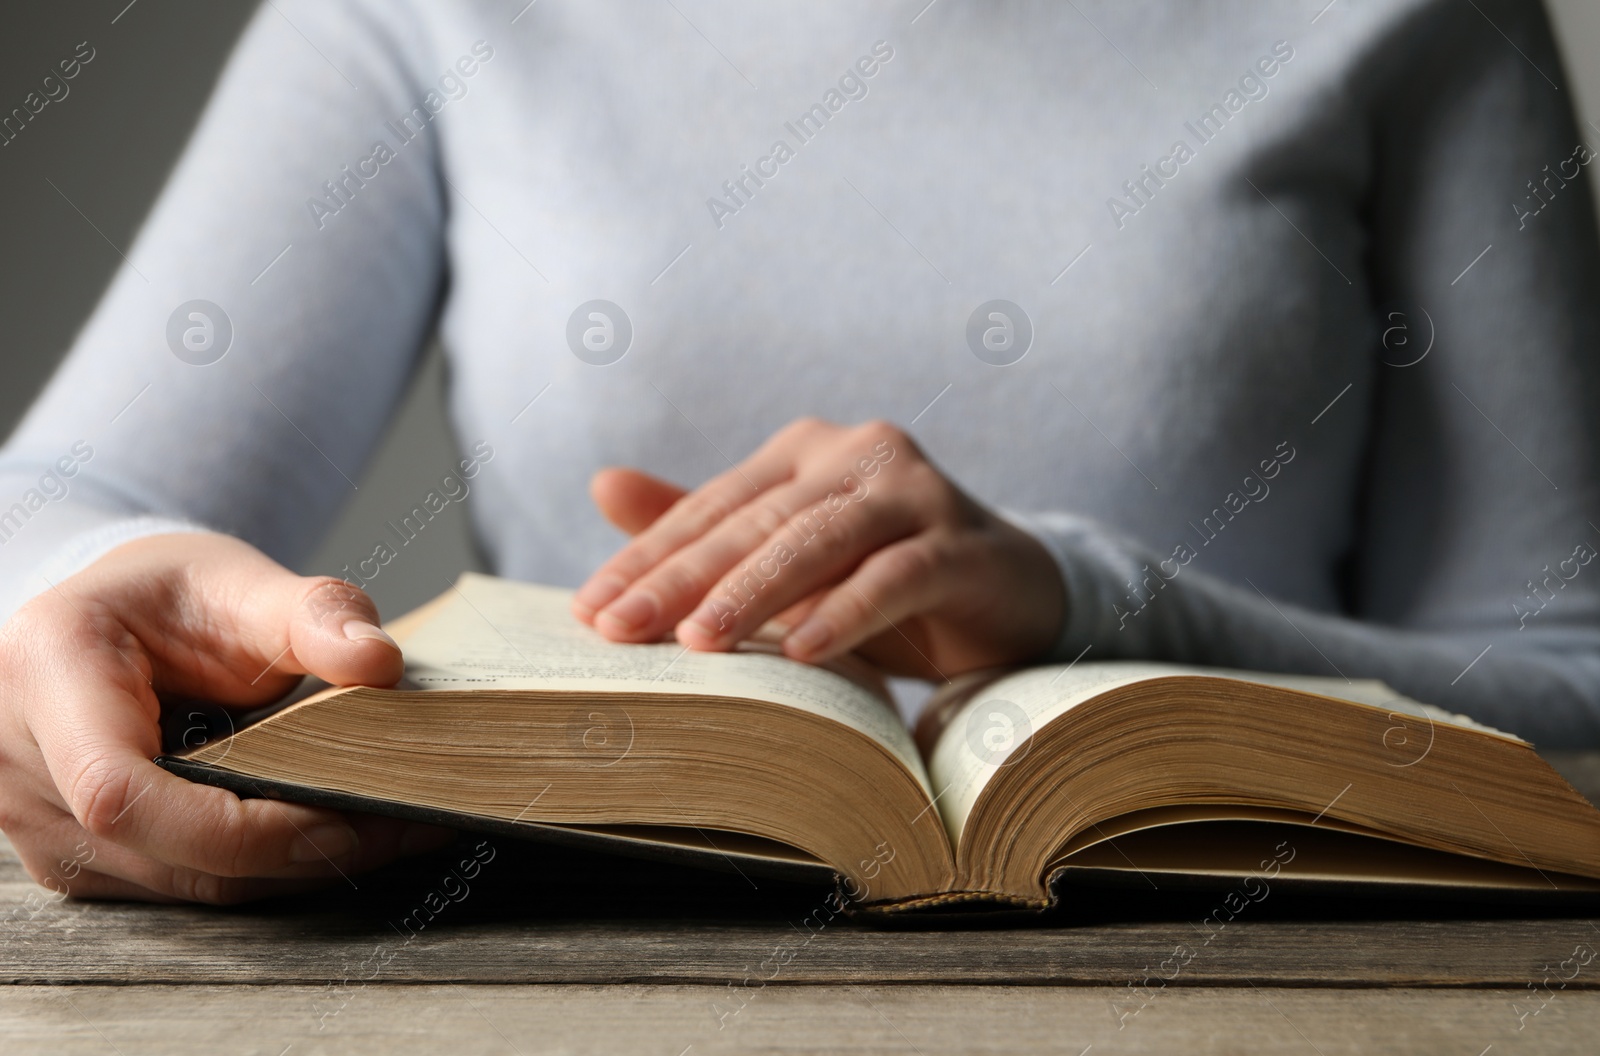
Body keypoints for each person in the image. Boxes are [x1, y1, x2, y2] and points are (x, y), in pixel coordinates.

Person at [0, 0, 1596, 904]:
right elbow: (53, 510)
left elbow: (1568, 670)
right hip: (567, 984)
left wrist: (1101, 602)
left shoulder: (1423, 19)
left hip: (1297, 983)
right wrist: (73, 610)